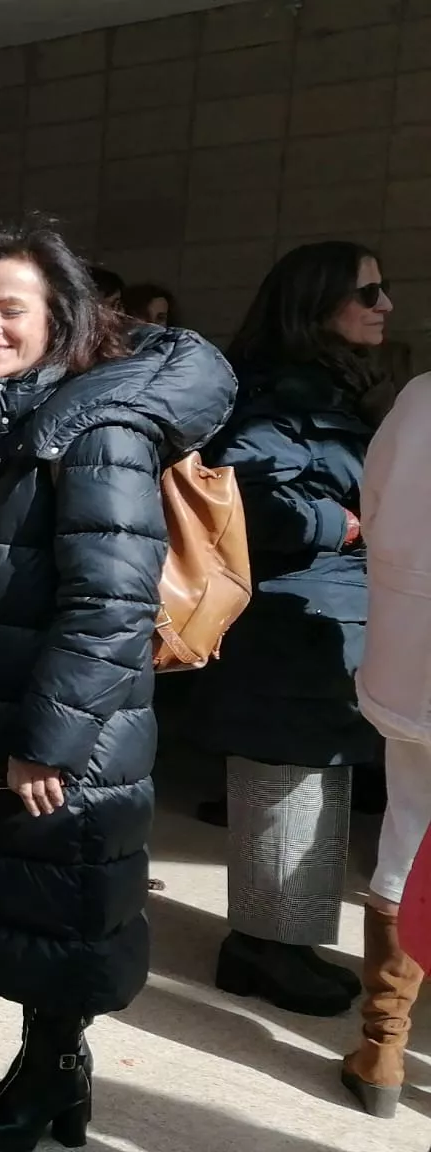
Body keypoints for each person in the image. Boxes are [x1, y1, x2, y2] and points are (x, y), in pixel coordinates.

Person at [0, 220, 236, 1150]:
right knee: (36, 903)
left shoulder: (94, 424)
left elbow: (110, 599)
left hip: (71, 728)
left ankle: (52, 1080)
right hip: (23, 705)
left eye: (11, 310)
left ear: (62, 317)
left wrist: (45, 745)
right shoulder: (6, 409)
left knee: (62, 910)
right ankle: (49, 1073)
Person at [194, 242, 389, 1018]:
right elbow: (244, 495)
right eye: (366, 292)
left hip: (315, 615)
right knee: (291, 778)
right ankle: (264, 946)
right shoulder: (285, 391)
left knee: (310, 773)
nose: (384, 304)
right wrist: (341, 524)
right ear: (317, 307)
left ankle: (275, 944)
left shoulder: (318, 384)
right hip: (291, 618)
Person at [345, 368, 431, 1118]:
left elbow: (377, 507)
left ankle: (384, 1047)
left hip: (416, 658)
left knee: (407, 831)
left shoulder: (420, 399)